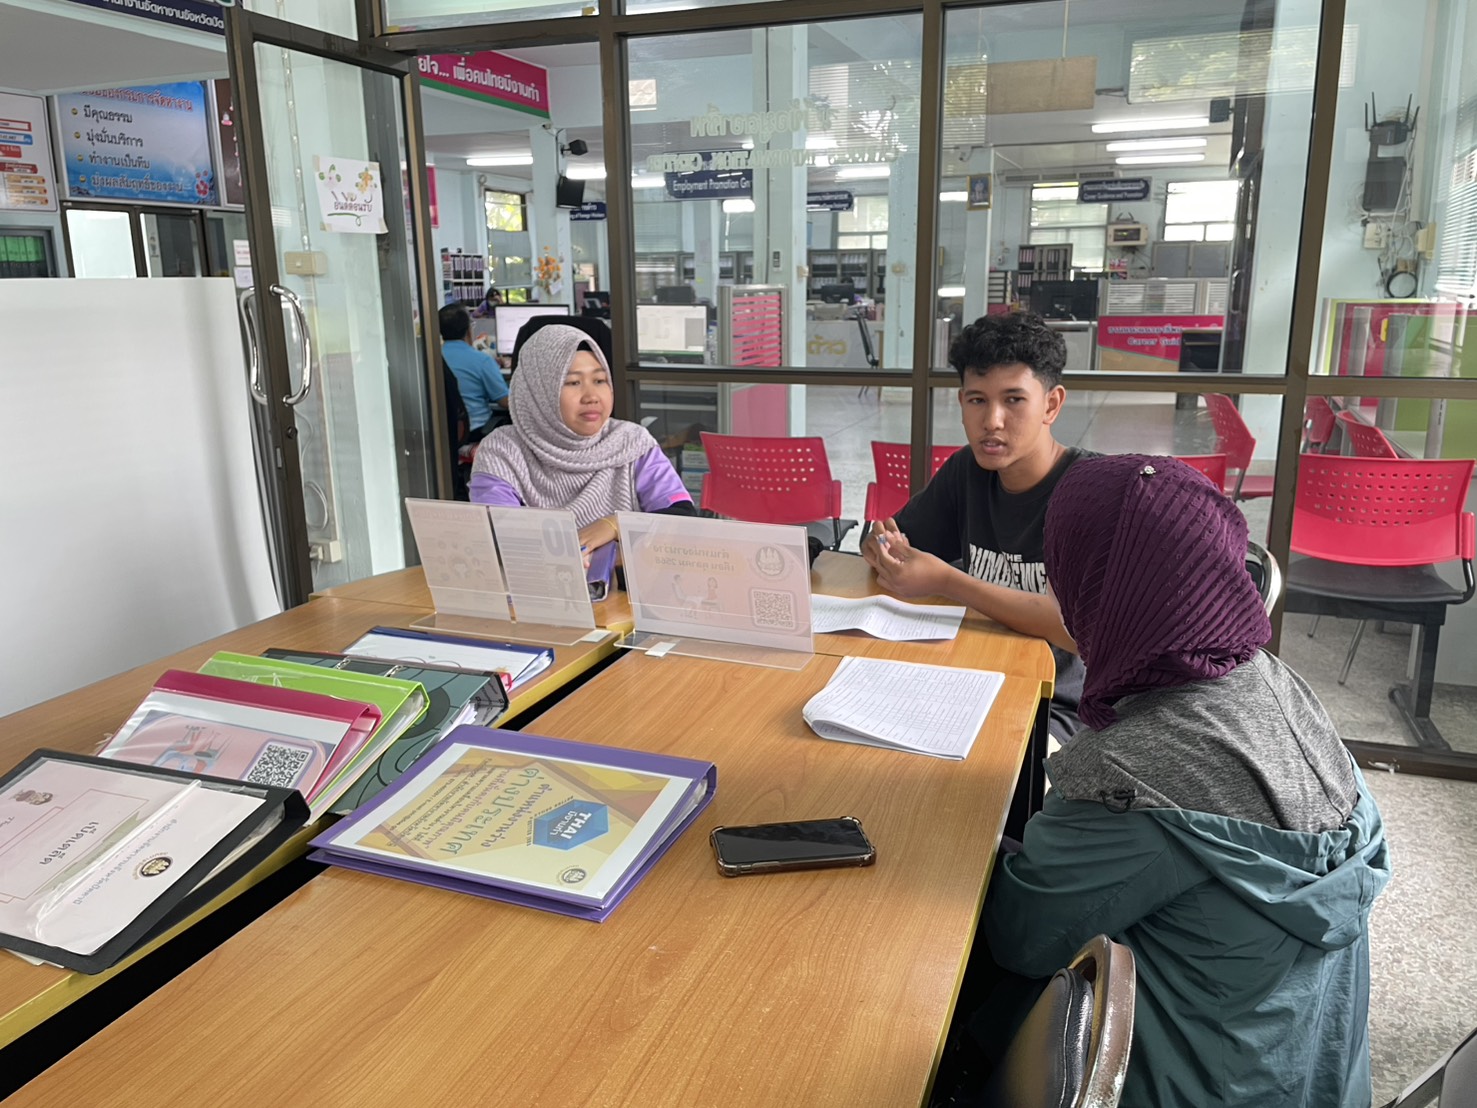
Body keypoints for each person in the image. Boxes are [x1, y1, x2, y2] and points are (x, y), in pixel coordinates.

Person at [978, 454, 1390, 1108]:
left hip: (1186, 1086)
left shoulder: (1134, 773)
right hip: (1310, 1074)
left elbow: (1021, 936)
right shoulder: (1277, 686)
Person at [860, 311, 1090, 736]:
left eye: (1013, 400)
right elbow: (896, 540)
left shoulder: (1091, 492)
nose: (992, 421)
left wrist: (947, 581)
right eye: (977, 400)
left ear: (1051, 404)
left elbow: (1074, 630)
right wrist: (881, 547)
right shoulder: (968, 470)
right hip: (964, 680)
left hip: (1057, 707)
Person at [470, 323, 694, 556]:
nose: (592, 397)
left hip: (624, 579)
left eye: (599, 380)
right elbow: (499, 539)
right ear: (538, 391)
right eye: (573, 382)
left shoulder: (632, 443)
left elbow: (682, 519)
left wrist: (615, 525)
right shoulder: (503, 451)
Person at [439, 304, 508, 437]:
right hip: (475, 433)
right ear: (469, 330)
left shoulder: (433, 359)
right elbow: (505, 401)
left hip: (444, 435)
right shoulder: (482, 360)